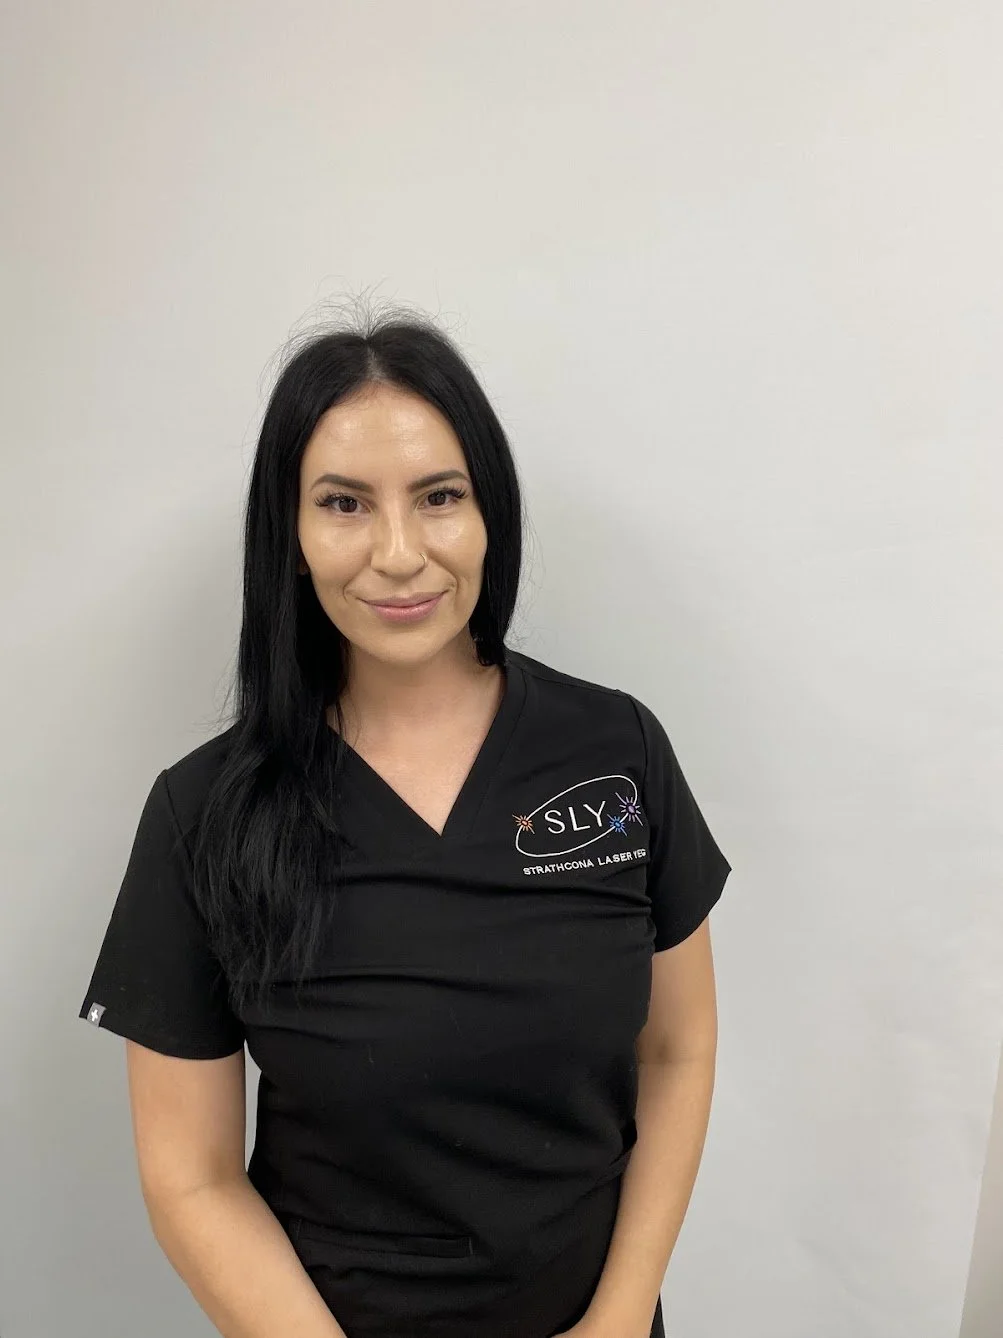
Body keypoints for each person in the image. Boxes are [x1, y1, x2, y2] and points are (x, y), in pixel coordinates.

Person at [78, 310, 731, 1338]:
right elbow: (191, 1180)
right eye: (343, 503)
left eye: (439, 497)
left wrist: (614, 1321)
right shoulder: (204, 815)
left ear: (488, 516)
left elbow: (677, 1049)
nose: (397, 553)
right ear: (289, 537)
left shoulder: (615, 752)